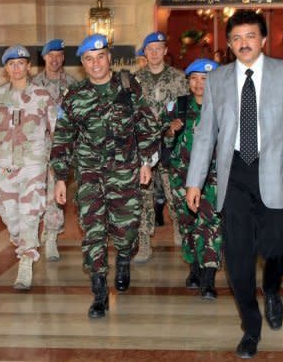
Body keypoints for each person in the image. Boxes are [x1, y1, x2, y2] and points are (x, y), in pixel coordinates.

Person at [186, 10, 283, 359]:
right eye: (236, 38)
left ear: (262, 40)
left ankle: (272, 288)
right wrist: (194, 181)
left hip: (278, 173)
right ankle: (251, 327)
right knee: (238, 257)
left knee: (280, 246)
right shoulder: (218, 80)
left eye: (250, 36)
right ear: (229, 44)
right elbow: (205, 135)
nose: (244, 43)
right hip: (236, 177)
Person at [50, 34, 159, 318]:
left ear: (109, 58)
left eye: (100, 57)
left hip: (124, 171)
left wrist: (147, 161)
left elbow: (147, 125)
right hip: (89, 174)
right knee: (93, 231)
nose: (95, 63)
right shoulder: (74, 96)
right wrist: (61, 176)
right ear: (83, 64)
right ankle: (99, 291)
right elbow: (62, 137)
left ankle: (124, 257)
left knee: (127, 231)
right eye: (88, 59)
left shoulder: (129, 87)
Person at [0, 44, 56, 290]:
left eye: (21, 63)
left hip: (34, 163)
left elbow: (57, 130)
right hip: (6, 163)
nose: (16, 68)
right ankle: (24, 243)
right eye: (11, 64)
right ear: (6, 68)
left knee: (30, 212)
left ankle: (26, 261)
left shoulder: (42, 96)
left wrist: (57, 162)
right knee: (6, 211)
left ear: (28, 66)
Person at [164, 58, 222, 300]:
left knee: (211, 225)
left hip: (214, 177)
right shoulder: (176, 106)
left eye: (205, 79)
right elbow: (165, 144)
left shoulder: (224, 108)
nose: (200, 84)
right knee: (187, 224)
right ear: (188, 82)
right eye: (195, 79)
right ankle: (195, 267)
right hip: (182, 178)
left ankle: (209, 277)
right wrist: (170, 131)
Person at [134, 31, 190, 262]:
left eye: (159, 48)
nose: (155, 53)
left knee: (174, 191)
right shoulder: (135, 80)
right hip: (144, 146)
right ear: (144, 53)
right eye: (150, 49)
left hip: (171, 144)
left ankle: (179, 226)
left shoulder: (179, 78)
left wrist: (178, 125)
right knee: (143, 195)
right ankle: (144, 242)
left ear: (166, 51)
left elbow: (185, 109)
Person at [32, 38, 77, 261]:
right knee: (36, 191)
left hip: (61, 146)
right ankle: (41, 229)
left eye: (59, 55)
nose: (55, 59)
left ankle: (51, 236)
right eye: (51, 55)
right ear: (44, 57)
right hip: (36, 147)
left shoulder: (72, 83)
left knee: (54, 190)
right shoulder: (33, 84)